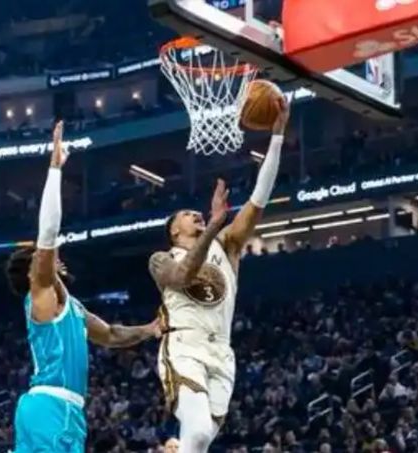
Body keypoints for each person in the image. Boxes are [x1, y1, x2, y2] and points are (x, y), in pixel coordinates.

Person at [6, 121, 162, 453]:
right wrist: (55, 169)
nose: (55, 256)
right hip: (54, 406)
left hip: (51, 409)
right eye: (44, 258)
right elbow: (48, 234)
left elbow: (111, 335)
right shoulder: (41, 292)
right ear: (34, 270)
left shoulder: (71, 307)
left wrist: (150, 329)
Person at [148, 96, 290, 452]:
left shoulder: (227, 245)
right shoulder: (161, 259)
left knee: (196, 444)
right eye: (187, 214)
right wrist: (212, 225)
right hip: (185, 346)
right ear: (174, 231)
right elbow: (183, 277)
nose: (195, 214)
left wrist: (276, 136)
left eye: (197, 212)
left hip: (222, 353)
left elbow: (259, 199)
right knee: (196, 434)